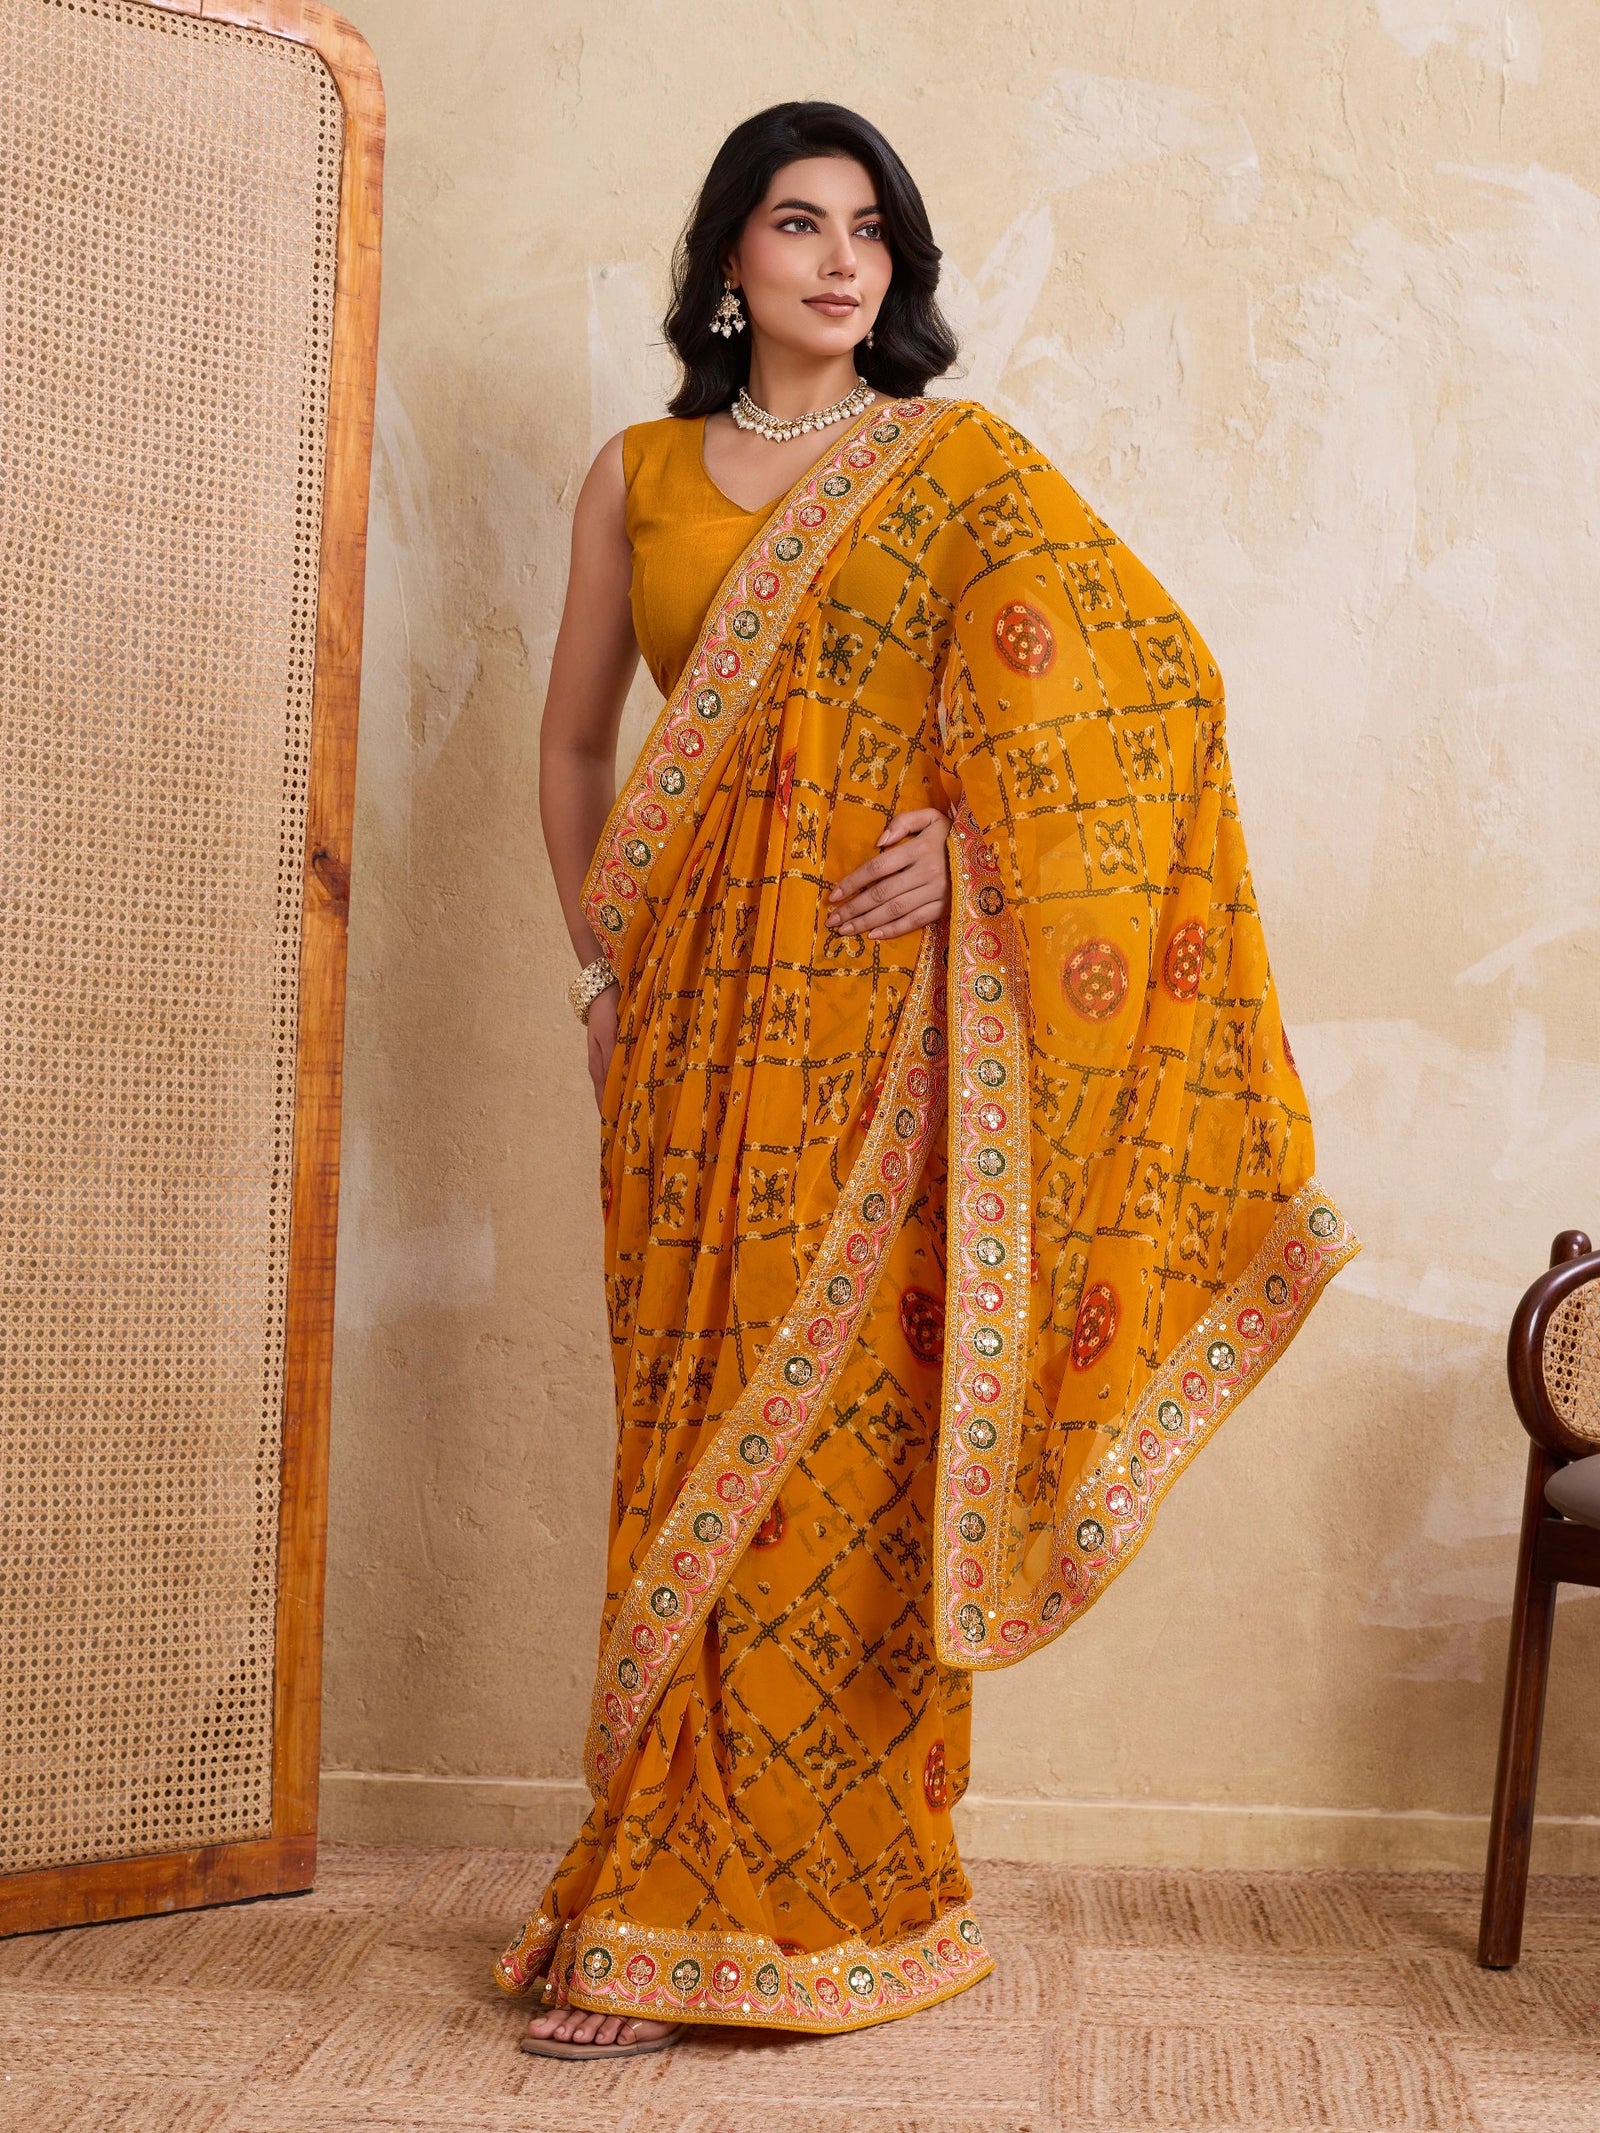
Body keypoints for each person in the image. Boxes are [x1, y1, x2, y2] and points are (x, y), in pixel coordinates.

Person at [501, 100, 1358, 2061]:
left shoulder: (952, 469)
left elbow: (1147, 694)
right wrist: (596, 947)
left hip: (880, 1037)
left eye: (866, 229)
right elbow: (570, 747)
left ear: (895, 267)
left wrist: (971, 844)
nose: (833, 259)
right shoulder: (632, 477)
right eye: (793, 224)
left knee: (846, 1454)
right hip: (686, 1034)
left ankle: (819, 1888)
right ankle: (651, 1887)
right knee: (687, 1440)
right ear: (727, 258)